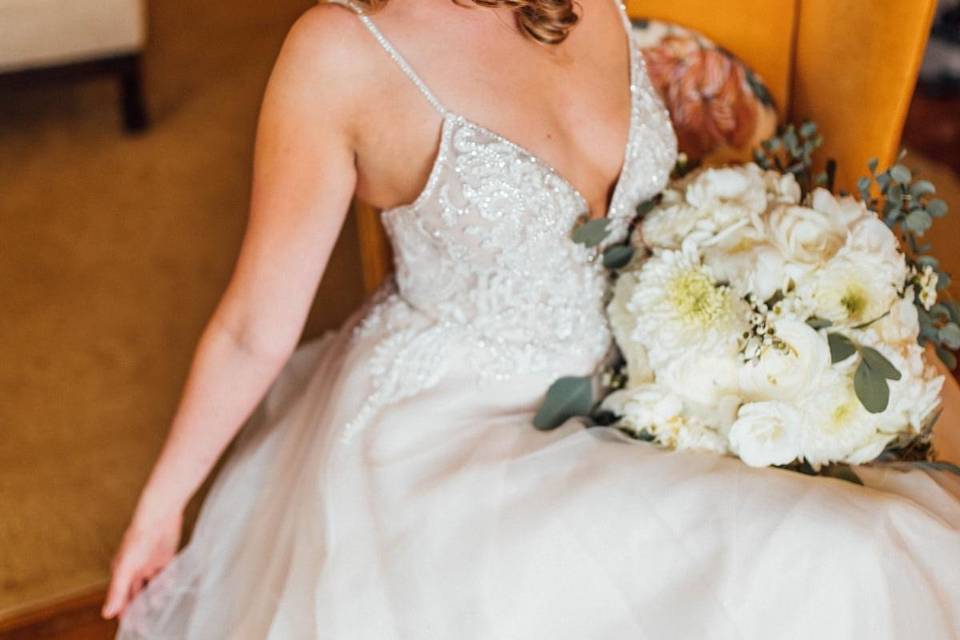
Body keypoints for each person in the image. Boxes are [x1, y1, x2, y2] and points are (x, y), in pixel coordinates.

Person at [104, 0, 960, 637]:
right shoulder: (339, 54)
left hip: (655, 368)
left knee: (880, 537)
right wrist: (161, 508)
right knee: (834, 552)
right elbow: (256, 326)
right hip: (462, 430)